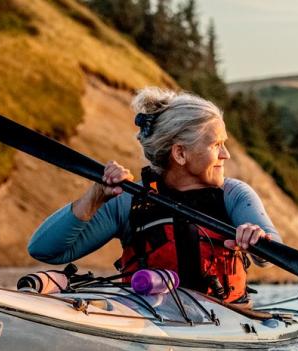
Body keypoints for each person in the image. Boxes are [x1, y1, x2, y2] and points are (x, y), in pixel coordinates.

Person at [28, 87, 278, 304]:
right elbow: (44, 251)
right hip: (149, 317)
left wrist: (257, 241)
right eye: (216, 145)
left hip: (226, 320)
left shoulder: (234, 195)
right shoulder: (129, 201)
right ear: (180, 154)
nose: (226, 155)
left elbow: (270, 256)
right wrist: (94, 198)